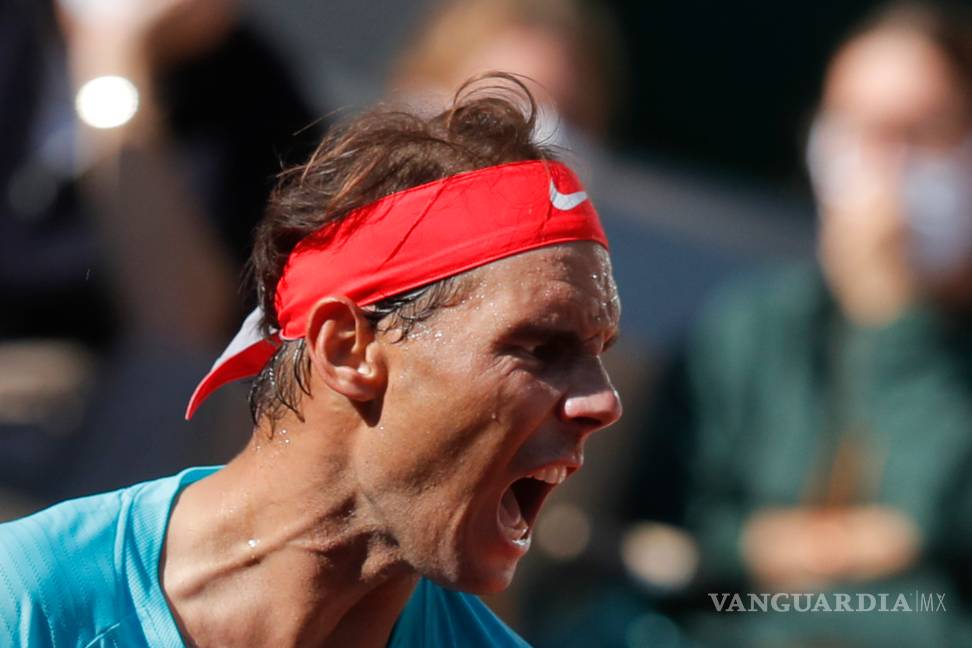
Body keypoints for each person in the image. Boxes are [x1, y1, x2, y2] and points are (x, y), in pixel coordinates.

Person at [0, 76, 623, 647]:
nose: (605, 403)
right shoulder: (31, 603)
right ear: (346, 348)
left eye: (599, 352)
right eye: (539, 348)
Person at [626, 3, 972, 646]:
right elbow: (674, 536)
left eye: (921, 133)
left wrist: (899, 320)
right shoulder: (745, 332)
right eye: (859, 128)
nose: (884, 167)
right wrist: (789, 548)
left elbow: (936, 524)